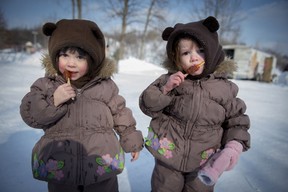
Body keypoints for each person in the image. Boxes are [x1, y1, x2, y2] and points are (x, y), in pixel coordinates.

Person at [20, 19, 143, 192]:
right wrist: (54, 101)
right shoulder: (46, 85)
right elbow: (31, 115)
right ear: (55, 56)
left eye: (79, 57)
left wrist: (131, 139)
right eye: (65, 55)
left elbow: (120, 113)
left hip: (100, 164)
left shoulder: (104, 86)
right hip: (61, 167)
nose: (71, 63)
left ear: (93, 60)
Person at [139, 16, 250, 192]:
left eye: (200, 50)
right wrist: (165, 89)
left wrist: (234, 146)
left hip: (204, 161)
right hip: (168, 158)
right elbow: (147, 105)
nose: (194, 58)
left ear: (212, 51)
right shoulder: (171, 80)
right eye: (186, 53)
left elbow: (237, 121)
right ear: (176, 58)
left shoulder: (225, 88)